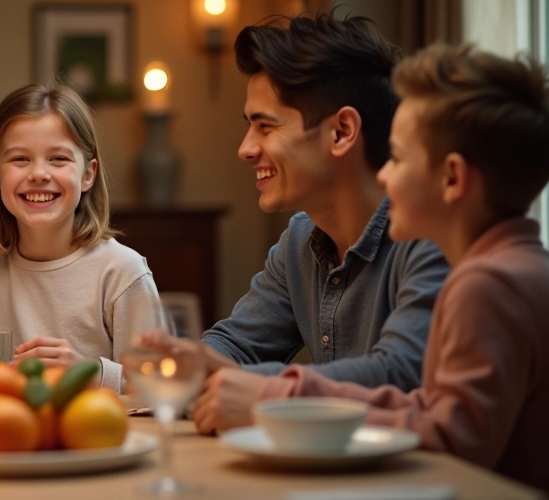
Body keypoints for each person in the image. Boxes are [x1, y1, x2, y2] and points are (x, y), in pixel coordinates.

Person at [199, 44, 549, 492]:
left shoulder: (486, 282)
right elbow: (426, 408)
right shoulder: (507, 268)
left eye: (397, 158)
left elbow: (450, 436)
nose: (383, 175)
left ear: (452, 178)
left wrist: (272, 398)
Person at [194, 13, 448, 400]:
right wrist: (186, 362)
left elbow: (401, 372)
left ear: (342, 132)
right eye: (249, 125)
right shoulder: (300, 241)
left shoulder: (430, 237)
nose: (245, 149)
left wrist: (265, 389)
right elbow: (235, 346)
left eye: (265, 126)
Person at [0, 83, 167, 393]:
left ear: (88, 174)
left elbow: (161, 384)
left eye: (58, 158)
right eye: (20, 159)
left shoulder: (122, 271)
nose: (38, 174)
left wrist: (89, 373)